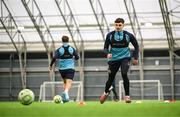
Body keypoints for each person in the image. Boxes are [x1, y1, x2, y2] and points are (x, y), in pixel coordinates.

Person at [99, 18, 139, 104]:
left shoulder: (129, 35)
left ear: (123, 25)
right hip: (113, 59)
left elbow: (136, 46)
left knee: (124, 74)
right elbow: (105, 48)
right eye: (116, 25)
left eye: (120, 25)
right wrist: (107, 53)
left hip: (125, 57)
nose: (118, 27)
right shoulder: (110, 35)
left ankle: (127, 96)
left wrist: (135, 57)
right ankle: (105, 93)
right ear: (114, 25)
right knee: (111, 78)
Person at [49, 35, 79, 103]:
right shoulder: (71, 49)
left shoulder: (59, 49)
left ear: (62, 41)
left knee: (65, 82)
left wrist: (51, 65)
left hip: (62, 69)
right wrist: (73, 57)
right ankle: (65, 92)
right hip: (70, 68)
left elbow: (54, 57)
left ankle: (65, 98)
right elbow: (77, 57)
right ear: (68, 40)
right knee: (69, 82)